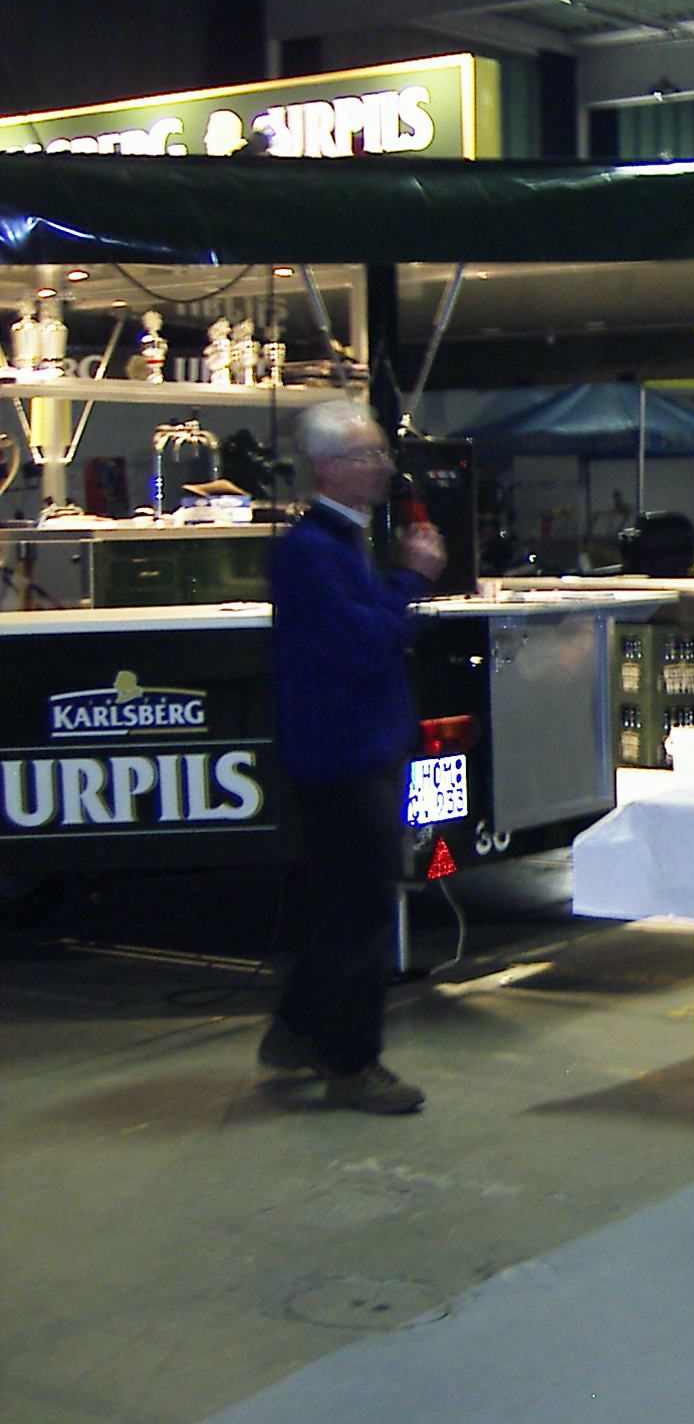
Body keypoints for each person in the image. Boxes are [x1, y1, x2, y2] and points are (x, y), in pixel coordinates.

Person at [257, 401, 444, 1116]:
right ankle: (351, 1062)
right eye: (369, 456)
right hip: (343, 757)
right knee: (359, 916)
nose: (384, 467)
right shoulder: (316, 551)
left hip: (348, 751)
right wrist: (411, 580)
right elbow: (364, 643)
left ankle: (299, 1029)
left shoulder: (337, 543)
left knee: (340, 906)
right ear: (328, 467)